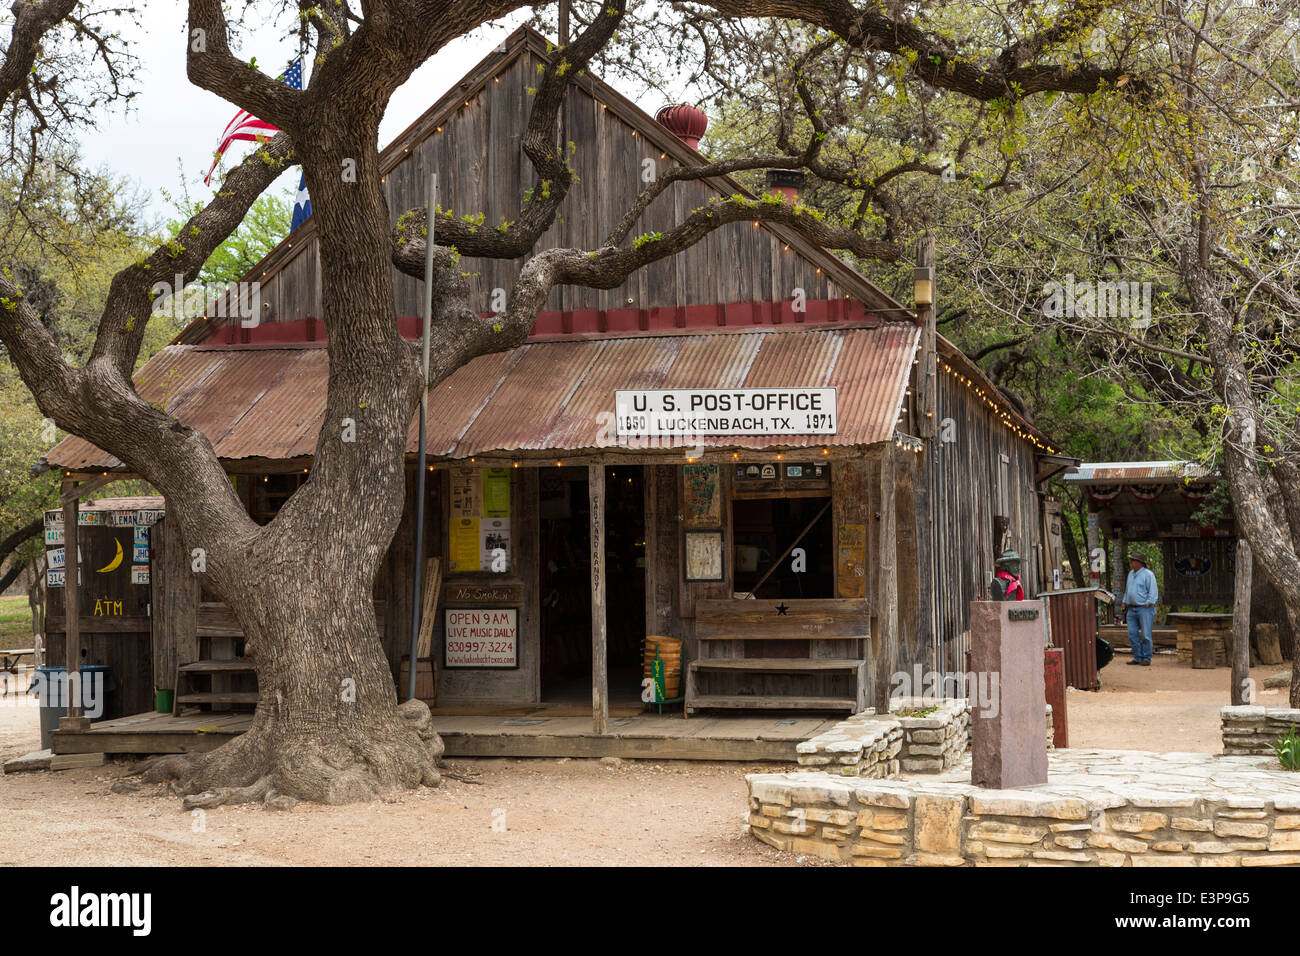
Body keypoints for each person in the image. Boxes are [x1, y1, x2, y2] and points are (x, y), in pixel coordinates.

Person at [1121, 551, 1159, 666]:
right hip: (1131, 608)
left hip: (1144, 608)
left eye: (1133, 560)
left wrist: (1149, 603)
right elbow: (1128, 590)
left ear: (1140, 562)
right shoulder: (1130, 574)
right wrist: (1124, 601)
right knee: (1132, 634)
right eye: (1131, 560)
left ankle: (1146, 658)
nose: (1131, 562)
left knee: (1146, 634)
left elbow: (1153, 590)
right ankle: (1137, 657)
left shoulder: (1148, 574)